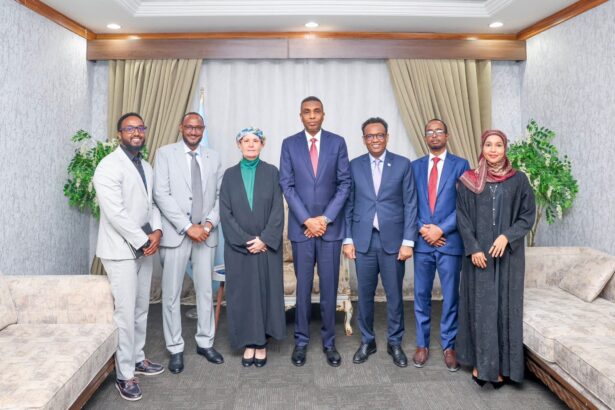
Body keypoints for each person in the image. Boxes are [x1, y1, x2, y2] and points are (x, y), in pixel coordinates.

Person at [456, 129, 536, 387]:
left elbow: (527, 215)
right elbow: (462, 217)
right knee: (480, 308)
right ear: (482, 148)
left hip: (507, 258)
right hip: (479, 257)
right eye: (488, 145)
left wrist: (506, 237)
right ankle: (481, 365)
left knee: (504, 308)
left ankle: (502, 367)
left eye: (498, 145)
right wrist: (473, 248)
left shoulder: (519, 180)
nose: (493, 150)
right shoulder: (468, 180)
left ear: (505, 149)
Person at [93, 112, 164, 401]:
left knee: (141, 308)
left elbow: (151, 204)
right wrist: (144, 239)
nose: (136, 132)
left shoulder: (146, 166)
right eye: (129, 128)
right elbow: (115, 213)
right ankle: (124, 374)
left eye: (140, 128)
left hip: (144, 247)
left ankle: (137, 357)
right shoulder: (107, 166)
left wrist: (157, 231)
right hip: (120, 251)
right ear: (119, 133)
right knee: (124, 313)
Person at [279, 96, 351, 367]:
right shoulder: (289, 144)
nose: (312, 116)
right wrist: (307, 220)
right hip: (302, 230)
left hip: (330, 230)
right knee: (303, 288)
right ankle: (301, 342)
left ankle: (329, 343)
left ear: (323, 115)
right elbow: (287, 185)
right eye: (307, 112)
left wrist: (324, 219)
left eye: (316, 111)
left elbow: (345, 184)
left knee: (330, 288)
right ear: (300, 116)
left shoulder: (337, 143)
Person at [343, 117, 417, 367]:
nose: (375, 139)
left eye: (379, 135)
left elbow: (410, 204)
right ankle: (367, 341)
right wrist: (348, 239)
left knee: (394, 296)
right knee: (364, 295)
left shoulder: (402, 164)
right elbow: (348, 204)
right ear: (364, 139)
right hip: (363, 241)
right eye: (370, 136)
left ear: (387, 137)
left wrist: (408, 241)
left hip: (394, 242)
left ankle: (395, 342)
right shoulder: (354, 165)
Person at [153, 112, 224, 374]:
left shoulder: (213, 157)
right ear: (181, 127)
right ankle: (175, 348)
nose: (194, 131)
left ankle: (205, 343)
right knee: (171, 294)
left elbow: (220, 195)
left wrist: (208, 224)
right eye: (189, 127)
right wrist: (187, 226)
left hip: (206, 234)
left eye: (198, 127)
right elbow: (161, 194)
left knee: (205, 291)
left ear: (203, 129)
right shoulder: (165, 154)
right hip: (177, 234)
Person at [220, 127, 286, 368]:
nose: (250, 144)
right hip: (240, 249)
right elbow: (225, 213)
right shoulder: (229, 175)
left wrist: (264, 239)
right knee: (243, 294)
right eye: (245, 141)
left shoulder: (272, 172)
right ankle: (249, 342)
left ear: (262, 144)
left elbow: (278, 210)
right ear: (239, 145)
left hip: (266, 247)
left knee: (266, 293)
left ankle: (262, 342)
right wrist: (246, 241)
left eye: (255, 141)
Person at [411, 119, 470, 370]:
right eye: (429, 132)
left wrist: (441, 229)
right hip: (422, 242)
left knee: (450, 297)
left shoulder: (461, 165)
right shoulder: (414, 166)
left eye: (438, 131)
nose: (434, 135)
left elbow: (464, 204)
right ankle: (422, 345)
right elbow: (409, 202)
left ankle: (449, 346)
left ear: (447, 135)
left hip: (449, 242)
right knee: (421, 296)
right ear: (425, 137)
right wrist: (423, 229)